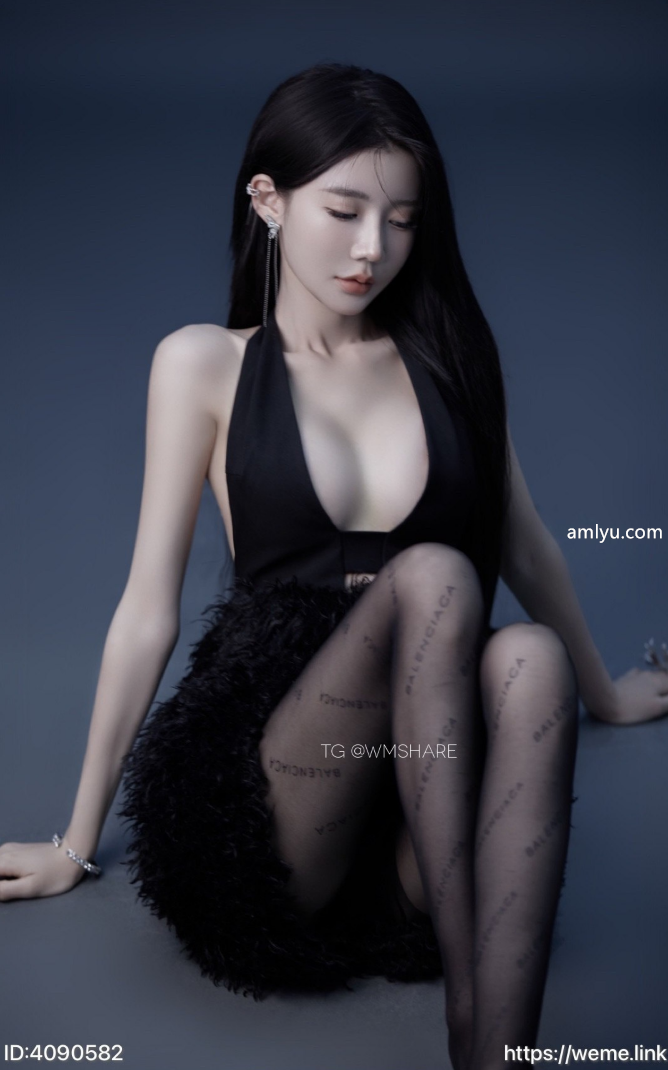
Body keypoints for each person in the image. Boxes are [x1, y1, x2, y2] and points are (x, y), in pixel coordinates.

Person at [1, 61, 667, 1070]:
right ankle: (474, 1015)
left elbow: (525, 541)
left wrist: (604, 697)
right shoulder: (203, 364)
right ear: (268, 201)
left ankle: (494, 1053)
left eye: (400, 220)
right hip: (271, 792)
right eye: (345, 211)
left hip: (421, 805)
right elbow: (146, 609)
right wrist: (74, 842)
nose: (372, 249)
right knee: (436, 577)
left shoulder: (450, 358)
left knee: (526, 653)